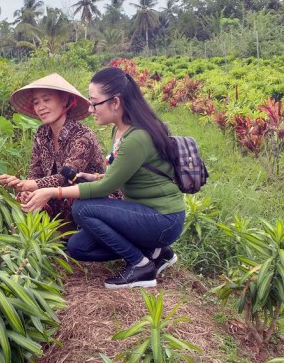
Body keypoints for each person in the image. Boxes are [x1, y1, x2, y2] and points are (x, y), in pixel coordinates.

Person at [21, 67, 185, 289]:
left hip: (162, 219)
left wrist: (52, 191)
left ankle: (141, 266)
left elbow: (107, 186)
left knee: (83, 209)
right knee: (78, 246)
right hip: (142, 213)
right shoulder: (121, 132)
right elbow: (122, 173)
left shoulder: (137, 138)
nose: (90, 109)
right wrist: (96, 175)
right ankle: (156, 252)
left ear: (115, 103)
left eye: (95, 102)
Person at [0, 73, 104, 231]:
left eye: (47, 100)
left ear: (65, 101)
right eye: (36, 102)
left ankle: (79, 237)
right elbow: (35, 171)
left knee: (69, 198)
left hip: (87, 198)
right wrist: (25, 187)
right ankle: (43, 240)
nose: (41, 107)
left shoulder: (82, 136)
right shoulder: (41, 134)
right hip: (54, 195)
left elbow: (67, 177)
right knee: (24, 197)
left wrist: (32, 185)